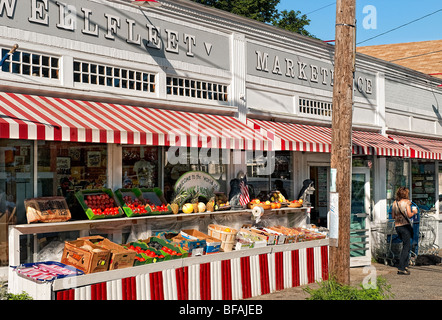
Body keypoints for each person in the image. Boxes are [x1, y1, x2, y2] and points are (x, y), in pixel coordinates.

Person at [391, 187, 418, 275]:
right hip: (405, 226)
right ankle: (401, 267)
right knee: (406, 247)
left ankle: (405, 265)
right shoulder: (407, 202)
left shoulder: (395, 203)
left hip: (397, 226)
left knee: (405, 245)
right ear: (405, 194)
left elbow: (393, 216)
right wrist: (414, 212)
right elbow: (409, 215)